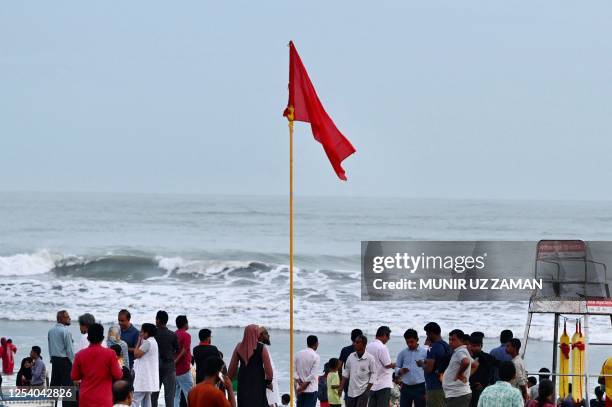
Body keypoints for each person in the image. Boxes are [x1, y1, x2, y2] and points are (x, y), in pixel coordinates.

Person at [71, 323, 123, 407]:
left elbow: (74, 376)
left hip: (85, 399)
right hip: (104, 399)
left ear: (88, 338)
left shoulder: (79, 355)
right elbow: (118, 375)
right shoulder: (110, 354)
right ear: (102, 338)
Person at [228, 324, 274, 407]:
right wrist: (269, 381)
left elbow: (232, 368)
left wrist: (228, 380)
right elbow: (268, 370)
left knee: (244, 402)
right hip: (258, 380)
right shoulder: (261, 348)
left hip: (243, 381)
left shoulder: (238, 347)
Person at [338, 334, 376, 407]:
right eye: (355, 342)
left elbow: (374, 374)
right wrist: (341, 387)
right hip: (351, 391)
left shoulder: (370, 358)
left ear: (364, 344)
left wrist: (367, 390)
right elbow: (346, 372)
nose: (355, 344)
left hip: (363, 391)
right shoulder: (351, 356)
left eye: (358, 342)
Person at [48, 310, 76, 407]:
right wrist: (74, 364)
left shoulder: (51, 331)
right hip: (65, 361)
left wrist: (51, 358)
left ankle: (51, 405)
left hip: (55, 360)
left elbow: (50, 347)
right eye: (67, 317)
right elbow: (70, 351)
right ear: (60, 319)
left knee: (54, 386)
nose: (69, 318)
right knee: (67, 388)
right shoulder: (66, 331)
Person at [151, 310, 178, 407]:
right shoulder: (172, 334)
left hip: (155, 367)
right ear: (166, 321)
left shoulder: (152, 335)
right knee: (169, 396)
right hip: (169, 366)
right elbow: (176, 349)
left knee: (154, 395)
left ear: (158, 320)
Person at [395, 328, 427, 407]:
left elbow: (429, 368)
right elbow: (396, 367)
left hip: (420, 387)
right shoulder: (402, 353)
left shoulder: (425, 352)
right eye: (407, 342)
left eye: (411, 341)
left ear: (417, 340)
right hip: (406, 387)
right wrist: (400, 370)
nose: (409, 344)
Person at [422, 322, 451, 407]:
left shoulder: (433, 347)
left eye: (427, 334)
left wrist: (421, 364)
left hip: (434, 387)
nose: (427, 336)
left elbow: (429, 369)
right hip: (444, 385)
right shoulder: (445, 345)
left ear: (431, 333)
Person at [366, 326, 396, 407]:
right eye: (388, 336)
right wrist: (396, 364)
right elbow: (387, 364)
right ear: (384, 335)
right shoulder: (382, 347)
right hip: (383, 384)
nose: (388, 339)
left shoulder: (368, 346)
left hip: (372, 384)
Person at [442, 329, 472, 407]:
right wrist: (466, 375)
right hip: (457, 393)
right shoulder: (462, 351)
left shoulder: (460, 351)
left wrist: (459, 374)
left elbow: (466, 362)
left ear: (461, 340)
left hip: (458, 394)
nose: (450, 342)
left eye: (453, 340)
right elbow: (475, 364)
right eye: (449, 339)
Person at [133, 323, 160, 407]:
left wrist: (138, 341)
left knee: (135, 401)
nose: (140, 333)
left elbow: (136, 354)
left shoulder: (148, 343)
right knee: (147, 402)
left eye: (142, 332)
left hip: (144, 379)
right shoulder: (154, 341)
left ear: (146, 333)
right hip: (149, 379)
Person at [293, 335, 320, 407]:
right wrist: (304, 385)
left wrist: (299, 382)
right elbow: (313, 374)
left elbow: (293, 370)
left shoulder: (297, 354)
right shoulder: (315, 356)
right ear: (316, 343)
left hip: (299, 388)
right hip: (311, 389)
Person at [468, 334, 495, 407]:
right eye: (473, 346)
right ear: (469, 345)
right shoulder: (465, 357)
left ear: (481, 346)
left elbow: (490, 372)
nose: (475, 348)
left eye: (477, 346)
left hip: (478, 389)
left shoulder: (488, 357)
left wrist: (484, 383)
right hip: (465, 388)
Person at [174, 315, 193, 407]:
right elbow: (184, 350)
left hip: (174, 371)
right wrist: (176, 361)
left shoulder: (174, 334)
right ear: (185, 324)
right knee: (189, 394)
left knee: (175, 396)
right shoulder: (186, 335)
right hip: (184, 369)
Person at [339, 329, 364, 400]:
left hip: (347, 382)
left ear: (351, 338)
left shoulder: (345, 350)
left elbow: (339, 367)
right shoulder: (364, 351)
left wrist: (341, 381)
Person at [259, 326, 280, 407]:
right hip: (268, 388)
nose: (268, 335)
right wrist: (268, 382)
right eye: (266, 333)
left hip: (270, 388)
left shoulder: (263, 348)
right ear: (260, 336)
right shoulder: (260, 349)